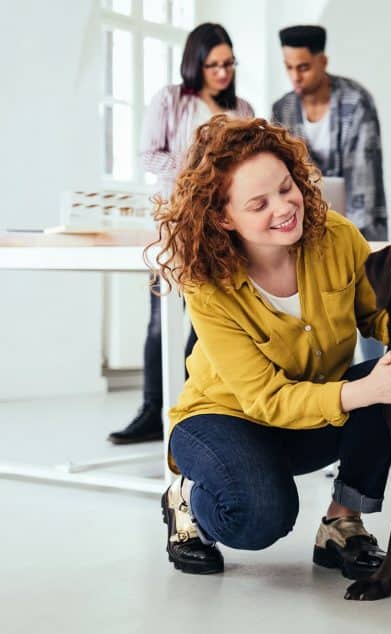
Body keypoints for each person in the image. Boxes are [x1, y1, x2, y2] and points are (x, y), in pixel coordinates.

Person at [150, 115, 391, 578]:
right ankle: (189, 506)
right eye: (258, 203)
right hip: (222, 419)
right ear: (222, 216)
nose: (284, 208)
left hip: (309, 414)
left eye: (285, 186)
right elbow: (266, 398)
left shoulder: (335, 236)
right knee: (261, 518)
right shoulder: (208, 287)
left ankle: (342, 525)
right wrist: (361, 392)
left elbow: (374, 315)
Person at [108, 23, 254, 444]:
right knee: (161, 321)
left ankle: (196, 405)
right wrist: (198, 175)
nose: (223, 72)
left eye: (229, 64)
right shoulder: (170, 100)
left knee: (209, 320)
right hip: (175, 225)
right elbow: (149, 155)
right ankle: (152, 410)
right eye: (213, 65)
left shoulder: (241, 108)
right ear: (195, 63)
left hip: (224, 227)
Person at [271, 24, 387, 361]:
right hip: (303, 233)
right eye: (289, 67)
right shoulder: (283, 110)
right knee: (323, 320)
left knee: (370, 307)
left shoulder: (357, 102)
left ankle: (379, 381)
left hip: (359, 229)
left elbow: (364, 182)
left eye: (303, 67)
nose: (295, 76)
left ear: (323, 61)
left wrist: (349, 241)